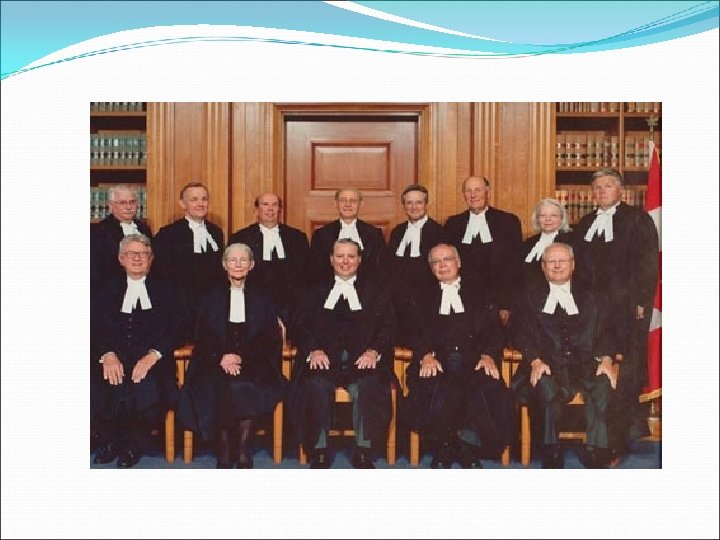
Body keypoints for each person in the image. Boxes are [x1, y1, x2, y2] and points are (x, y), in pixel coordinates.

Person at [572, 168, 659, 459]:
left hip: (627, 311)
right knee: (598, 371)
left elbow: (648, 265)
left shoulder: (638, 220)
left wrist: (641, 303)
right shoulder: (585, 223)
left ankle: (618, 439)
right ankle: (598, 437)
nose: (601, 191)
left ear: (620, 190)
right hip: (592, 313)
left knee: (625, 375)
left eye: (608, 186)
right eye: (597, 187)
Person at [177, 243, 287, 468]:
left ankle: (244, 447)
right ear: (224, 265)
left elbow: (269, 338)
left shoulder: (264, 298)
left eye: (243, 260)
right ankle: (225, 448)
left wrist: (241, 357)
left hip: (254, 360)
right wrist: (221, 357)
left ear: (251, 265)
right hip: (214, 360)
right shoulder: (210, 297)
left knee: (245, 385)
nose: (238, 264)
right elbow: (202, 335)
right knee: (218, 385)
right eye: (232, 260)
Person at [288, 239, 396, 468]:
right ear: (331, 259)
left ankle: (364, 449)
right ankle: (318, 450)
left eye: (351, 256)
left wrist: (374, 351)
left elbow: (388, 326)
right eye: (340, 256)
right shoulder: (313, 289)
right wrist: (313, 350)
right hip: (325, 360)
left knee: (369, 385)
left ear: (359, 260)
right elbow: (299, 325)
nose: (345, 261)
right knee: (315, 385)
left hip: (362, 361)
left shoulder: (376, 290)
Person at [404, 243, 510, 468]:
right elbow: (411, 330)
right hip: (436, 360)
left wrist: (488, 355)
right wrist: (425, 355)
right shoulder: (419, 295)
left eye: (447, 259)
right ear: (431, 268)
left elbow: (495, 331)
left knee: (485, 384)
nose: (442, 265)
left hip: (474, 360)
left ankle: (459, 444)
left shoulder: (481, 293)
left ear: (458, 262)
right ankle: (451, 444)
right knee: (434, 383)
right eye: (436, 262)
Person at [511, 242, 616, 468]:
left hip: (584, 365)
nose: (557, 266)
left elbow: (607, 331)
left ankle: (596, 450)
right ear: (543, 266)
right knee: (544, 383)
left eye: (563, 261)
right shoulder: (528, 297)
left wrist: (607, 360)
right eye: (551, 262)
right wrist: (535, 360)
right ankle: (551, 450)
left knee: (603, 382)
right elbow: (519, 333)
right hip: (547, 364)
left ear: (573, 264)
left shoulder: (593, 297)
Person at [91, 233, 184, 468]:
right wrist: (106, 354)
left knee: (146, 384)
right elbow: (92, 327)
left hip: (153, 362)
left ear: (151, 259)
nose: (137, 259)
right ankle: (111, 439)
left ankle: (133, 444)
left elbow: (179, 329)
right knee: (104, 382)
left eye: (143, 254)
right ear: (121, 258)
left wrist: (154, 355)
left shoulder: (167, 291)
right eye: (132, 254)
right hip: (113, 359)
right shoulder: (104, 291)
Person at [443, 176, 522, 328]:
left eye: (478, 190)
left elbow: (513, 267)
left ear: (487, 192)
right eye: (468, 191)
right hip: (463, 299)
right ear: (463, 195)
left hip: (497, 301)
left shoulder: (508, 221)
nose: (473, 195)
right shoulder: (453, 224)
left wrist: (506, 304)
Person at [229, 192, 310, 336]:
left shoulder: (297, 238)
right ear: (256, 210)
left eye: (275, 205)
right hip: (254, 306)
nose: (270, 209)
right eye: (265, 204)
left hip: (291, 306)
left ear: (280, 210)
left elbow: (304, 276)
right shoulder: (241, 238)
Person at [152, 182, 225, 341]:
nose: (200, 204)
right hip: (181, 308)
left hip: (210, 307)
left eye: (204, 199)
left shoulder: (216, 232)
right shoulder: (168, 234)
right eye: (194, 199)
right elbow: (161, 274)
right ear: (182, 204)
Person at [387, 184, 444, 347]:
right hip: (398, 299)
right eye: (409, 203)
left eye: (418, 202)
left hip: (427, 301)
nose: (413, 207)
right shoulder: (397, 231)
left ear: (426, 204)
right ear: (404, 206)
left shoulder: (438, 231)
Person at [307, 188, 389, 284]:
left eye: (353, 201)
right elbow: (315, 269)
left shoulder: (374, 234)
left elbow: (381, 268)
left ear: (361, 204)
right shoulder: (321, 235)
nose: (348, 204)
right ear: (336, 203)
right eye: (343, 200)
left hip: (367, 288)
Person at [91, 184, 152, 292]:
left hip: (144, 288)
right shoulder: (98, 232)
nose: (129, 207)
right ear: (111, 206)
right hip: (112, 291)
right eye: (123, 203)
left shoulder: (144, 229)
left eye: (132, 202)